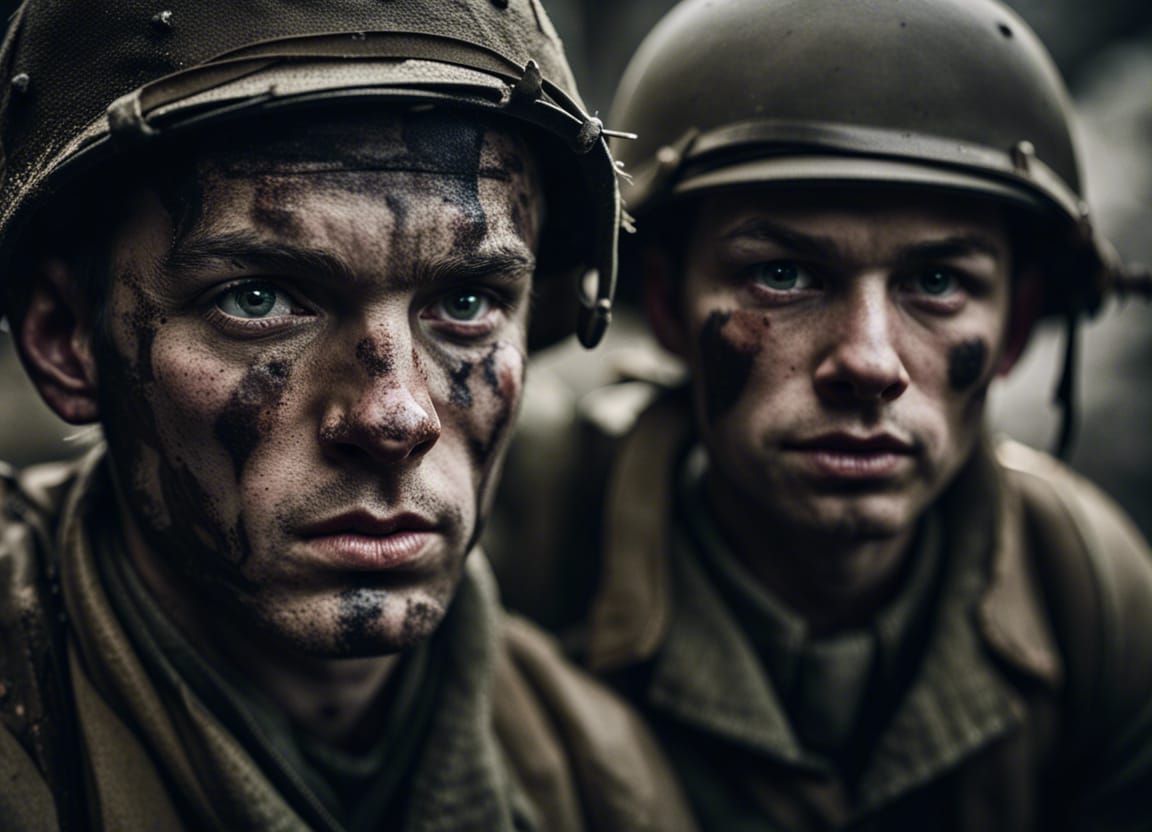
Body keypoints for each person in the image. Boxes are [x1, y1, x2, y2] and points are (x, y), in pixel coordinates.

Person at [0, 2, 697, 830]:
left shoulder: (600, 781)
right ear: (64, 339)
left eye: (467, 301)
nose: (396, 415)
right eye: (257, 300)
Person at [491, 0, 1152, 828]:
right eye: (783, 275)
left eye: (938, 284)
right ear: (666, 305)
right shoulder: (516, 539)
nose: (869, 363)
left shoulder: (1087, 590)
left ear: (1013, 328)